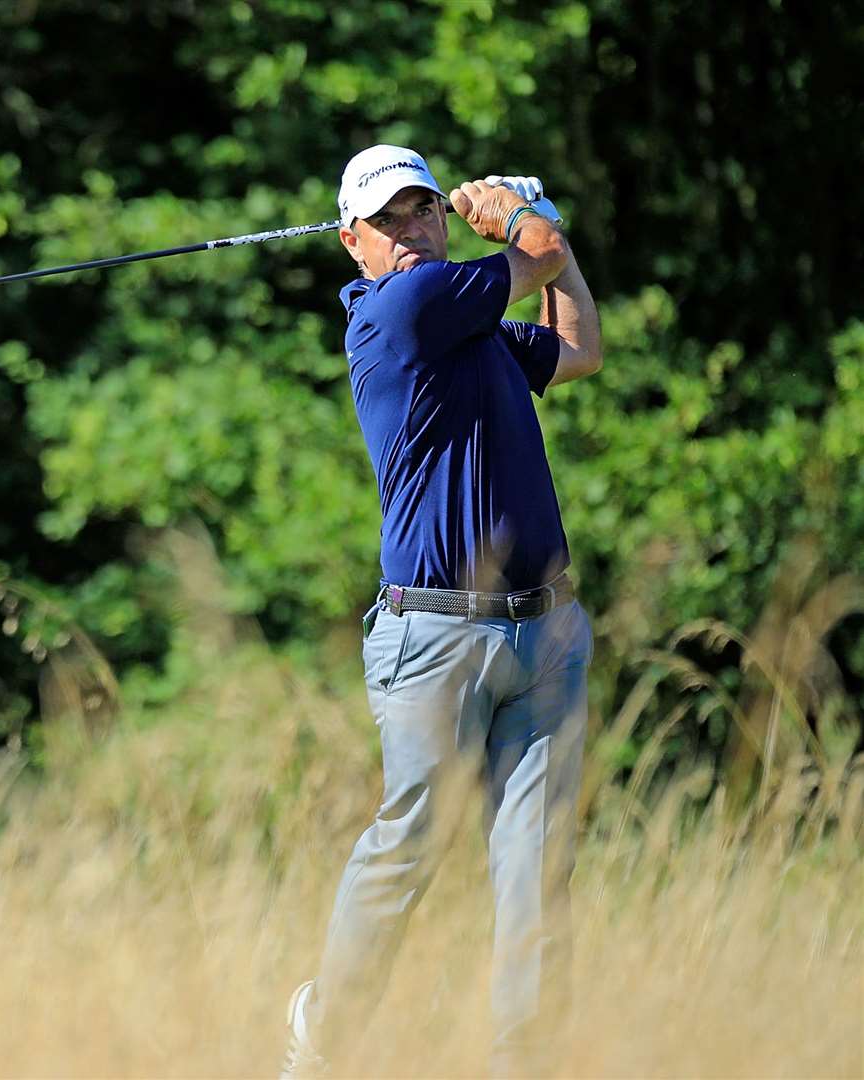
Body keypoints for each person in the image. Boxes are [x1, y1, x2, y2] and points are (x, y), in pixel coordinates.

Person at [281, 145, 603, 1079]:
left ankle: (525, 1062)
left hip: (544, 629)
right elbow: (535, 253)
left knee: (537, 868)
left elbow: (580, 349)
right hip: (434, 634)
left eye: (424, 211)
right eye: (389, 220)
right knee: (412, 839)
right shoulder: (403, 309)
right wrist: (515, 215)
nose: (413, 230)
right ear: (355, 245)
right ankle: (329, 1035)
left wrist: (546, 238)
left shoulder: (479, 329)